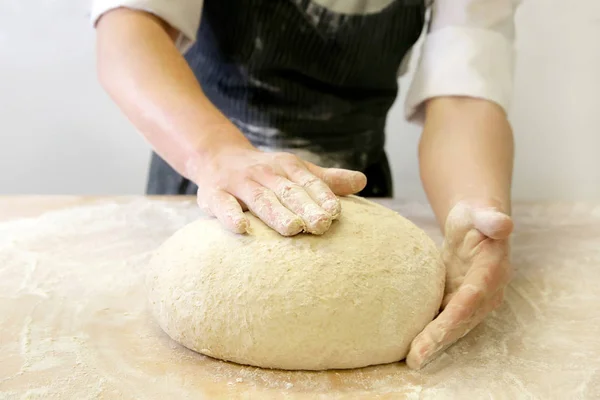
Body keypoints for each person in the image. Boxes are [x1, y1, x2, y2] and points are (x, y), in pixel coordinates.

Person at [92, 0, 519, 369]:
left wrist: (476, 209)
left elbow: (464, 87)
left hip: (353, 193)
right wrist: (217, 153)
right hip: (204, 181)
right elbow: (129, 27)